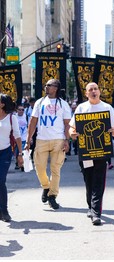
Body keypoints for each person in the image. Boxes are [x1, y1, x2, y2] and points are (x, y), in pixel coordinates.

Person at [69, 82, 114, 225]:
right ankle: (90, 207)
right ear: (86, 94)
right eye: (90, 90)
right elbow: (71, 128)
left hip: (102, 152)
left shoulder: (107, 108)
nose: (93, 91)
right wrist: (72, 133)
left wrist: (113, 131)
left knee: (98, 181)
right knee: (88, 181)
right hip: (85, 152)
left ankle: (96, 213)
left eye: (95, 89)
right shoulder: (81, 108)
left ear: (99, 91)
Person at [25, 79, 71, 209]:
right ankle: (46, 186)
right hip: (41, 140)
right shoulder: (40, 102)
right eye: (46, 85)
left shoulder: (63, 104)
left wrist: (67, 140)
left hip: (58, 140)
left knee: (55, 169)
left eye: (49, 85)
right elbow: (33, 122)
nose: (46, 87)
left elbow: (67, 124)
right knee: (39, 167)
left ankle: (52, 196)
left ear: (56, 88)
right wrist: (28, 140)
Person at [0, 93, 23, 222]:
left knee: (1, 180)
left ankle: (4, 210)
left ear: (2, 104)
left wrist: (20, 154)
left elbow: (17, 136)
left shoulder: (11, 117)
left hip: (5, 152)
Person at [15, 104, 28, 171]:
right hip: (16, 138)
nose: (21, 111)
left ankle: (23, 165)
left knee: (23, 151)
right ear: (17, 110)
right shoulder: (14, 117)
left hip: (24, 138)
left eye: (22, 110)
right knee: (17, 152)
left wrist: (30, 137)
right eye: (19, 109)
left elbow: (29, 127)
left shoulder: (26, 117)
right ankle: (18, 163)